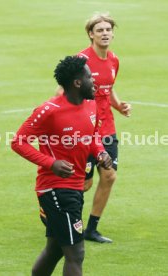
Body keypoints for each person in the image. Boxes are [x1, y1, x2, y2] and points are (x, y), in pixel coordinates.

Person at [11, 56, 112, 276]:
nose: (94, 81)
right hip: (55, 190)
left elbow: (93, 135)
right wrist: (50, 163)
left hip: (74, 188)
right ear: (77, 83)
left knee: (55, 249)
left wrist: (101, 152)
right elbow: (18, 142)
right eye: (89, 77)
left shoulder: (91, 104)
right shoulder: (49, 110)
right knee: (76, 254)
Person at [77, 13, 132, 243]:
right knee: (85, 183)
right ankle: (59, 214)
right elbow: (65, 94)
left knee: (109, 176)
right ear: (91, 34)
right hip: (86, 130)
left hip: (107, 129)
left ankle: (91, 229)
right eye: (99, 30)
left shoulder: (114, 60)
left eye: (108, 29)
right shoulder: (80, 61)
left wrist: (118, 106)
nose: (105, 33)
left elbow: (108, 89)